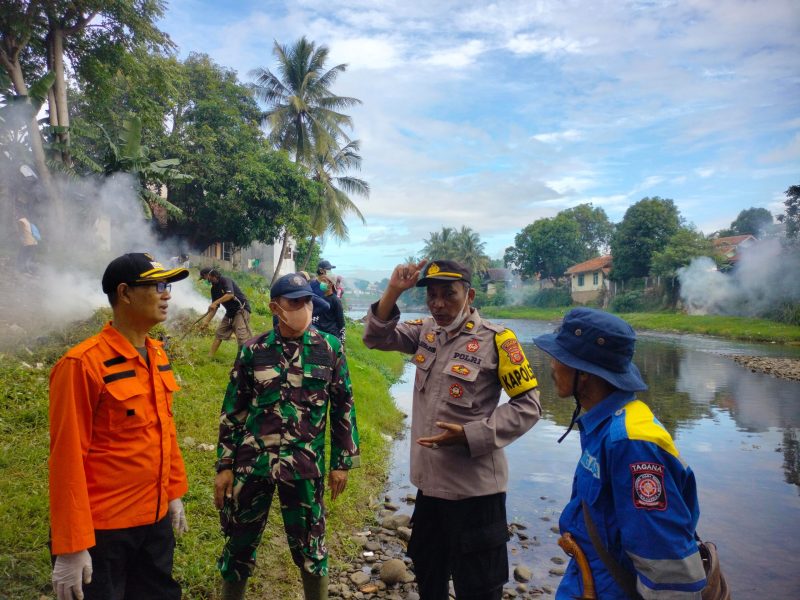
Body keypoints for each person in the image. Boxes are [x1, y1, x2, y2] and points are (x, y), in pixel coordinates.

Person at [363, 259, 542, 600]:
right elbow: (375, 336)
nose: (439, 304)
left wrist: (471, 434)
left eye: (449, 294)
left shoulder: (499, 341)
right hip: (430, 491)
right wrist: (394, 291)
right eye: (432, 295)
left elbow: (529, 407)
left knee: (478, 588)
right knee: (429, 576)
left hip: (475, 495)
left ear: (469, 295)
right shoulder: (426, 332)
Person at [532, 308, 706, 599]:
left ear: (584, 374)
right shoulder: (605, 424)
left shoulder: (631, 444)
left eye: (559, 357)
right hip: (590, 582)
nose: (552, 365)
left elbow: (666, 567)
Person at [49, 252, 191, 600]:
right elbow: (67, 458)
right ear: (125, 293)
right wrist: (71, 545)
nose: (167, 294)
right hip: (105, 532)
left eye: (168, 285)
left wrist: (173, 494)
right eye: (158, 286)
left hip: (154, 523)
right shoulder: (82, 364)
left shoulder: (157, 354)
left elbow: (164, 430)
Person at [214, 272, 360, 600]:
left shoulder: (330, 348)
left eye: (307, 301)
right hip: (253, 467)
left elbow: (343, 406)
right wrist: (224, 466)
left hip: (305, 468)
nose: (303, 309)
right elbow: (233, 411)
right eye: (294, 303)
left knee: (312, 550)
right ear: (275, 307)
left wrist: (342, 461)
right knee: (239, 545)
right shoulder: (254, 350)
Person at [199, 267, 252, 358]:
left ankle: (243, 360)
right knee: (219, 334)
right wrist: (206, 322)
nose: (205, 280)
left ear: (210, 275)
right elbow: (214, 308)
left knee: (241, 337)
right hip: (230, 313)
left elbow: (230, 295)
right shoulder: (213, 289)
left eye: (204, 277)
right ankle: (209, 356)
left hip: (240, 310)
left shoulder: (225, 280)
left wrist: (215, 302)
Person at [312, 274, 346, 345]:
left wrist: (342, 342)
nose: (322, 283)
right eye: (321, 281)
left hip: (331, 334)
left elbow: (341, 322)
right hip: (320, 332)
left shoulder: (335, 300)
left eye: (324, 281)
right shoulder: (322, 298)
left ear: (331, 284)